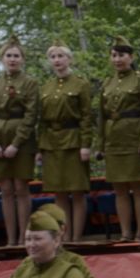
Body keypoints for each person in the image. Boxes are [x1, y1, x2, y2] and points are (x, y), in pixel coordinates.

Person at [99, 38, 140, 242]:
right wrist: (100, 144)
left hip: (134, 139)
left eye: (122, 55)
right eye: (114, 55)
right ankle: (125, 233)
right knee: (120, 190)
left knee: (139, 188)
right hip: (113, 141)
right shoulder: (108, 82)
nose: (117, 59)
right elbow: (101, 116)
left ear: (131, 57)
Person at [0, 35, 40, 246]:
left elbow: (31, 115)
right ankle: (10, 238)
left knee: (21, 188)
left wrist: (16, 143)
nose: (12, 59)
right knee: (5, 190)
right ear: (2, 58)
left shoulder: (30, 83)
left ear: (23, 59)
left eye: (16, 55)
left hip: (21, 142)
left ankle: (25, 236)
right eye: (9, 55)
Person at [37, 44, 96, 243]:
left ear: (69, 59)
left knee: (77, 192)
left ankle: (76, 237)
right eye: (53, 56)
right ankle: (63, 237)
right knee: (59, 192)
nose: (57, 60)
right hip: (51, 143)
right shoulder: (46, 87)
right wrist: (40, 147)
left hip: (74, 141)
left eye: (61, 55)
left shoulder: (80, 84)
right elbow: (42, 121)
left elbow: (87, 117)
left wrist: (86, 144)